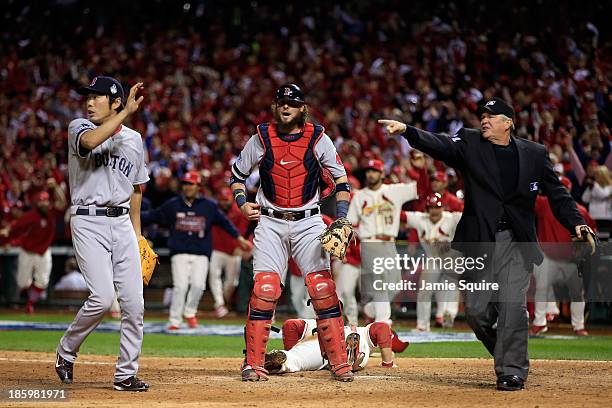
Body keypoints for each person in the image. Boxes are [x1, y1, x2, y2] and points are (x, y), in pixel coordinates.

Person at [379, 96, 595, 391]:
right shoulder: (470, 143)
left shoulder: (534, 153)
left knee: (512, 304)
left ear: (508, 122)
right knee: (477, 313)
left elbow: (558, 193)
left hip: (517, 240)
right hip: (480, 240)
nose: (484, 119)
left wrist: (577, 223)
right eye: (482, 115)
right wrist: (407, 130)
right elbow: (440, 144)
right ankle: (506, 351)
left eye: (491, 116)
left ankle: (511, 370)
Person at [230, 83, 353, 382]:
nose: (286, 107)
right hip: (270, 221)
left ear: (302, 109)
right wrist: (242, 203)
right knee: (265, 289)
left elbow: (341, 181)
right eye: (281, 102)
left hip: (309, 221)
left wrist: (340, 219)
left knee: (323, 289)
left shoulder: (318, 137)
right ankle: (253, 363)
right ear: (276, 106)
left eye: (292, 103)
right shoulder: (261, 137)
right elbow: (237, 175)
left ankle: (338, 361)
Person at [56, 76, 150, 391]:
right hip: (87, 220)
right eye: (88, 97)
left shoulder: (134, 140)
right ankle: (66, 350)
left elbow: (137, 189)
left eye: (97, 97)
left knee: (135, 304)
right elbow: (90, 143)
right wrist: (126, 114)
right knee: (101, 298)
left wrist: (138, 236)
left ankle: (125, 374)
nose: (89, 102)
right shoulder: (78, 127)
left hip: (122, 222)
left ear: (115, 102)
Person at [142, 171, 251, 329]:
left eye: (191, 184)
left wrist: (239, 239)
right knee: (180, 286)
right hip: (179, 252)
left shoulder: (208, 206)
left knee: (198, 285)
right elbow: (153, 215)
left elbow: (224, 223)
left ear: (198, 187)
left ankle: (190, 312)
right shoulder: (173, 204)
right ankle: (175, 320)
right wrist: (131, 216)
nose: (187, 187)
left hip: (201, 253)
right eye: (185, 184)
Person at [346, 159, 417, 324]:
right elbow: (350, 223)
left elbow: (418, 189)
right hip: (369, 242)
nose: (371, 174)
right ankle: (383, 321)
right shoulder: (359, 196)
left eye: (375, 171)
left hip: (389, 243)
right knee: (380, 279)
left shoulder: (394, 191)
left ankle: (372, 308)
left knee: (396, 285)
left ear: (382, 173)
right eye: (368, 171)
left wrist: (416, 170)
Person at [531, 176, 596, 336]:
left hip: (571, 261)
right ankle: (539, 323)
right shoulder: (544, 204)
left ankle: (579, 326)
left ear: (568, 190)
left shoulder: (580, 210)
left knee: (577, 293)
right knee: (541, 289)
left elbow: (592, 232)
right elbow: (528, 197)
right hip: (548, 257)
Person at [0, 180, 66, 314]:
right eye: (41, 202)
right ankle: (30, 297)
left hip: (43, 251)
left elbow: (62, 203)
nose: (44, 204)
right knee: (22, 283)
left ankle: (30, 304)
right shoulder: (31, 216)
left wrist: (57, 188)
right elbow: (16, 226)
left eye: (45, 201)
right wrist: (7, 233)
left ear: (48, 202)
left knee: (43, 281)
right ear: (37, 203)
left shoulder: (51, 212)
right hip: (28, 251)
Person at [263, 318, 409, 374]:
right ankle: (348, 358)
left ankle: (280, 358)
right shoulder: (365, 333)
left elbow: (291, 326)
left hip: (323, 338)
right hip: (350, 341)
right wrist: (388, 363)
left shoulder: (330, 323)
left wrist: (295, 347)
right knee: (357, 352)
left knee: (297, 359)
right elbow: (382, 328)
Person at [403, 193, 462, 331]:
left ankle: (449, 315)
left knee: (451, 287)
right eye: (431, 207)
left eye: (437, 207)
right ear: (427, 208)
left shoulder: (453, 218)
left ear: (443, 208)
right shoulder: (420, 219)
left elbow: (472, 215)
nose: (434, 210)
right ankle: (423, 325)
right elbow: (402, 215)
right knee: (424, 291)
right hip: (433, 259)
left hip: (451, 259)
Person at [208, 187, 251, 318]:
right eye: (222, 200)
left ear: (231, 199)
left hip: (234, 251)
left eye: (226, 200)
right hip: (217, 249)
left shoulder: (238, 211)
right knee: (213, 276)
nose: (224, 203)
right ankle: (220, 304)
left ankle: (224, 301)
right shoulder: (213, 210)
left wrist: (240, 247)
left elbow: (243, 231)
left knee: (232, 282)